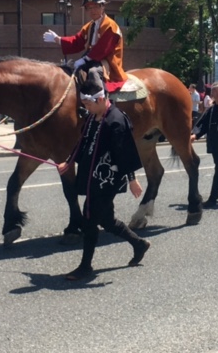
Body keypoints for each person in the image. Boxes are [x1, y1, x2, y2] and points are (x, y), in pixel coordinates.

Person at [57, 67, 150, 280]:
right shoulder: (93, 118)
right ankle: (139, 244)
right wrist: (69, 162)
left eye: (88, 104)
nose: (86, 108)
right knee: (107, 220)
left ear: (100, 99)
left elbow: (125, 152)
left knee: (89, 219)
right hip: (91, 176)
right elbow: (82, 143)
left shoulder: (116, 121)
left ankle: (85, 267)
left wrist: (132, 179)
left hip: (107, 179)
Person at [43, 0, 128, 92]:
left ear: (103, 7)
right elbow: (77, 41)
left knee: (93, 72)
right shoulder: (89, 25)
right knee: (70, 70)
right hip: (91, 57)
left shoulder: (110, 25)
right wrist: (58, 39)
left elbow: (103, 49)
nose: (92, 10)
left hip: (106, 60)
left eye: (95, 7)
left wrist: (85, 60)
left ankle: (101, 102)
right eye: (89, 8)